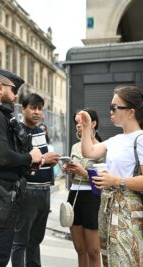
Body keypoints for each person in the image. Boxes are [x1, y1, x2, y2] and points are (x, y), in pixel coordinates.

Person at [79, 85, 143, 266]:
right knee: (109, 259)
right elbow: (89, 151)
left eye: (114, 107)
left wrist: (116, 180)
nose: (110, 111)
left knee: (125, 260)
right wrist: (86, 127)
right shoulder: (116, 139)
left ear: (130, 112)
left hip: (127, 208)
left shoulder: (142, 140)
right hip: (108, 205)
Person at [0, 67, 43, 267]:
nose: (15, 97)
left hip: (6, 188)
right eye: (13, 91)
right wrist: (29, 157)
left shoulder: (1, 115)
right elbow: (2, 157)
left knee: (0, 252)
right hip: (0, 189)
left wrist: (29, 162)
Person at [11, 93, 60, 267]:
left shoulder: (40, 131)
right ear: (23, 108)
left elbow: (42, 159)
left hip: (44, 191)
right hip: (27, 190)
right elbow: (20, 160)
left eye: (40, 108)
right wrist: (46, 159)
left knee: (36, 240)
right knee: (20, 241)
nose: (37, 112)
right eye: (32, 108)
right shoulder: (17, 130)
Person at [63, 108, 103, 267]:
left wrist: (84, 173)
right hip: (74, 194)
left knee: (93, 250)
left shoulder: (101, 147)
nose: (79, 125)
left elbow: (103, 179)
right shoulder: (74, 147)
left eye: (83, 122)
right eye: (77, 122)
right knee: (80, 248)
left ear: (93, 123)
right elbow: (74, 176)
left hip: (92, 198)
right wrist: (69, 170)